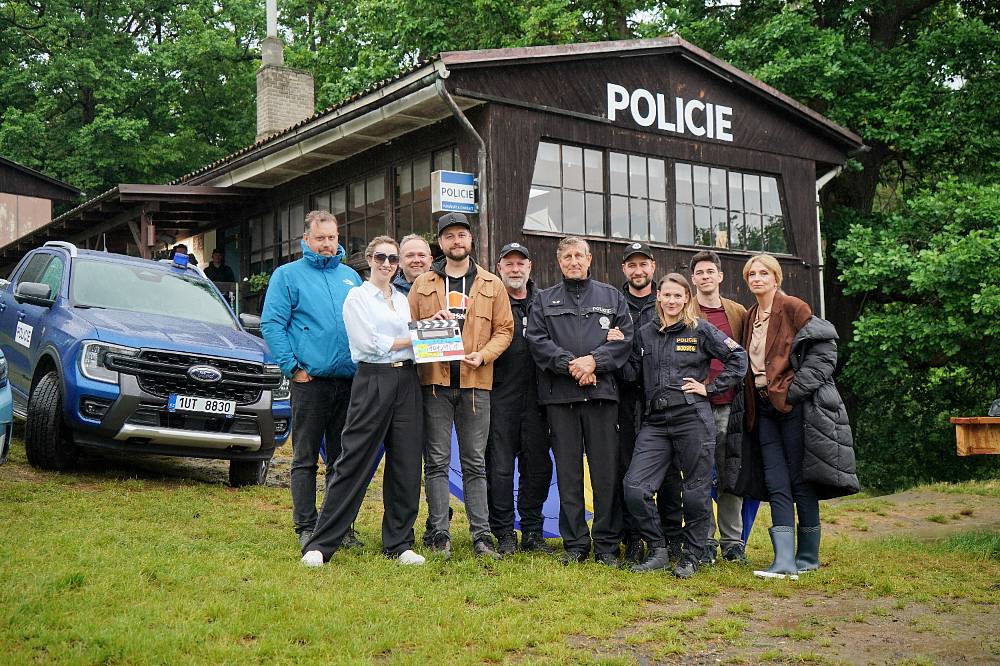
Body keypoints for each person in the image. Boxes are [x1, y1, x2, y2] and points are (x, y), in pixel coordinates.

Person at [729, 254, 858, 579]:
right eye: (752, 274)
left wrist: (794, 390)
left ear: (776, 278)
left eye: (763, 273)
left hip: (795, 408)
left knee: (801, 479)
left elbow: (826, 347)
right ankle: (784, 560)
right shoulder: (750, 316)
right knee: (776, 481)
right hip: (763, 409)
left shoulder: (793, 308)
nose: (757, 278)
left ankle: (808, 557)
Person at [301, 237, 425, 567]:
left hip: (407, 381)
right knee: (353, 460)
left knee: (407, 463)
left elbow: (414, 344)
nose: (387, 263)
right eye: (381, 257)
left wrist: (428, 332)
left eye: (392, 258)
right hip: (373, 379)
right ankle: (321, 543)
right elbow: (370, 343)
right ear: (369, 259)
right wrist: (414, 338)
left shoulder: (402, 299)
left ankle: (399, 542)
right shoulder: (356, 297)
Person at [622, 273, 747, 578]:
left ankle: (692, 555)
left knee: (695, 491)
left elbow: (738, 358)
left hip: (692, 417)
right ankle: (659, 549)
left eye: (679, 296)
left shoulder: (700, 329)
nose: (672, 301)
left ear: (687, 299)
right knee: (635, 488)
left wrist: (711, 388)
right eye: (667, 295)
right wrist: (617, 345)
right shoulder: (644, 333)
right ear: (659, 298)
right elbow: (630, 375)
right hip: (656, 422)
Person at [408, 212, 514, 560]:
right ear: (440, 243)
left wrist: (483, 355)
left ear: (471, 241)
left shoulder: (491, 284)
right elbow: (406, 326)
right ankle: (439, 533)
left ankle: (481, 536)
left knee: (474, 463)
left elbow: (505, 330)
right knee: (436, 462)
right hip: (434, 385)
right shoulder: (422, 284)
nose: (457, 241)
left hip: (475, 385)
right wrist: (425, 323)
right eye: (449, 236)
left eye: (462, 236)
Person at [526, 237, 632, 566]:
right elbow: (537, 341)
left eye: (579, 256)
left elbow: (624, 339)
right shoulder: (544, 300)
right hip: (561, 400)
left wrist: (594, 362)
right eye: (567, 256)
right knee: (569, 475)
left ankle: (606, 546)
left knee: (605, 473)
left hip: (602, 396)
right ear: (559, 262)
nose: (573, 261)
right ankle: (575, 545)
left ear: (589, 260)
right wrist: (572, 366)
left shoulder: (612, 297)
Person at [260, 210, 362, 549]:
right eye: (320, 238)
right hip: (310, 382)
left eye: (332, 238)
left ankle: (339, 528)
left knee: (342, 460)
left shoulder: (351, 277)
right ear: (306, 240)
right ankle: (306, 525)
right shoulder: (287, 275)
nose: (327, 244)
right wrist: (293, 367)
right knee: (304, 458)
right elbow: (272, 325)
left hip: (347, 383)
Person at [485, 242, 554, 556]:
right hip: (501, 398)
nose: (515, 269)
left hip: (540, 402)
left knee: (538, 469)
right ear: (499, 268)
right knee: (499, 470)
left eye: (520, 264)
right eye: (508, 264)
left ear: (530, 267)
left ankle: (532, 532)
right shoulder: (489, 303)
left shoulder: (547, 302)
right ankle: (503, 533)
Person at [616, 242, 682, 566]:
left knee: (670, 474)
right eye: (632, 265)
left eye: (643, 264)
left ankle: (672, 539)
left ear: (653, 266)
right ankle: (633, 540)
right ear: (624, 269)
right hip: (626, 401)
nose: (638, 270)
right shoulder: (616, 303)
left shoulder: (669, 300)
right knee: (629, 470)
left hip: (664, 402)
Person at [689, 250, 748, 565]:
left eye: (710, 271)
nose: (705, 277)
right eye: (699, 272)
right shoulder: (686, 310)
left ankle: (732, 542)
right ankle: (705, 540)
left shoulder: (736, 312)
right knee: (698, 474)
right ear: (693, 278)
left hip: (728, 405)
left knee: (729, 474)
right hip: (694, 406)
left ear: (720, 276)